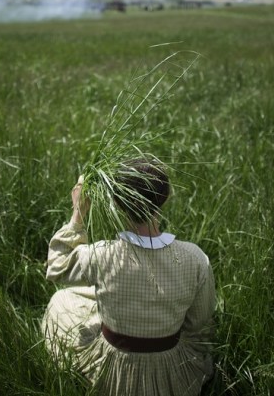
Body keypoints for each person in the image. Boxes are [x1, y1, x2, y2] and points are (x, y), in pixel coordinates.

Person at [43, 158, 215, 395]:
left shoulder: (102, 254)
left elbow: (56, 267)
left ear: (117, 203)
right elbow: (198, 323)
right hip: (171, 368)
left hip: (116, 370)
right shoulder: (195, 258)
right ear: (166, 198)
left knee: (61, 301)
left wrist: (78, 214)